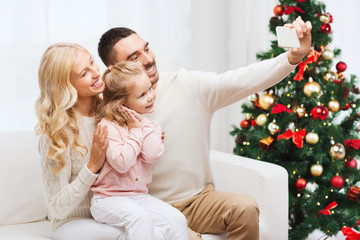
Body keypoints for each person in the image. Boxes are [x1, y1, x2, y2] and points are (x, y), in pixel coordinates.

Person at [97, 18, 312, 240]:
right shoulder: (106, 112)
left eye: (147, 49)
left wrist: (292, 58)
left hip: (198, 201)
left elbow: (243, 80)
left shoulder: (187, 86)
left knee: (245, 208)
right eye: (134, 57)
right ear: (115, 70)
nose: (149, 59)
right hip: (147, 207)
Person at [35, 43, 126, 240]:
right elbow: (57, 208)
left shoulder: (110, 114)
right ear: (65, 85)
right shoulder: (57, 133)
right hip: (72, 224)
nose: (96, 73)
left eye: (93, 63)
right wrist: (92, 165)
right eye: (84, 73)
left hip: (112, 214)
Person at [90, 61, 189, 240]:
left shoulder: (151, 126)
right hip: (107, 200)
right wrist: (135, 130)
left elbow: (151, 155)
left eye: (150, 89)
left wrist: (142, 126)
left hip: (139, 198)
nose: (151, 96)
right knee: (140, 218)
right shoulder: (107, 126)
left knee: (177, 219)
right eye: (142, 95)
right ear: (121, 103)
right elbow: (122, 163)